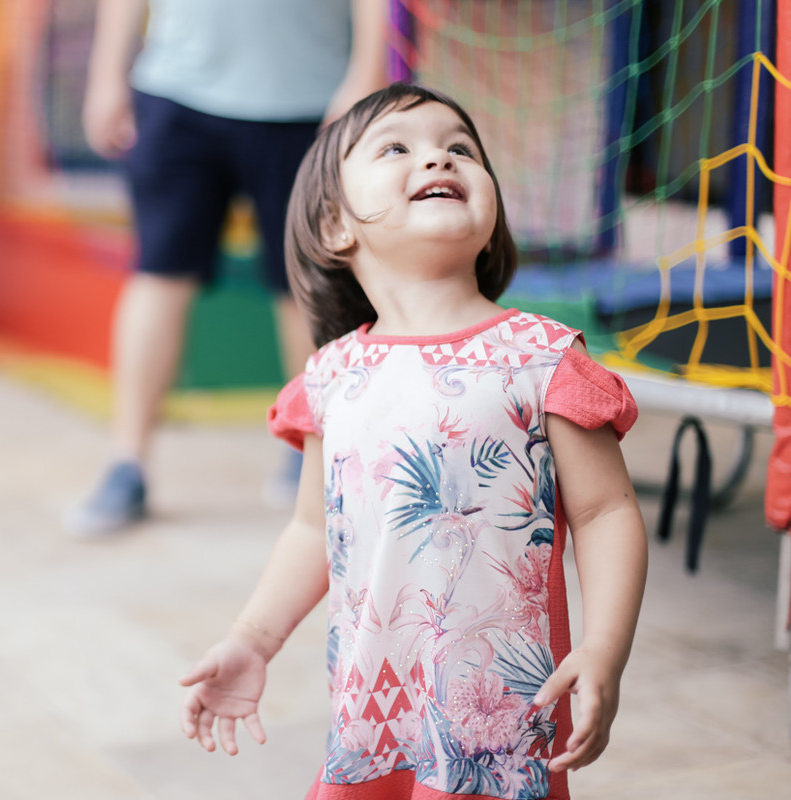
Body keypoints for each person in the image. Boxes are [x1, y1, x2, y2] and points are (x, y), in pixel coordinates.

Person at [178, 83, 649, 799]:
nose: (439, 158)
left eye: (460, 147)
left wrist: (604, 651)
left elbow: (606, 513)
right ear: (336, 225)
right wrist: (251, 638)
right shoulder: (333, 378)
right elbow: (312, 531)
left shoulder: (538, 357)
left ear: (491, 218)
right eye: (398, 148)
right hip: (374, 719)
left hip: (494, 734)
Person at [70, 0, 390, 534]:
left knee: (307, 281)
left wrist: (366, 70)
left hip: (310, 98)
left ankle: (314, 453)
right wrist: (106, 75)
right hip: (176, 92)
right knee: (158, 273)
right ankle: (126, 462)